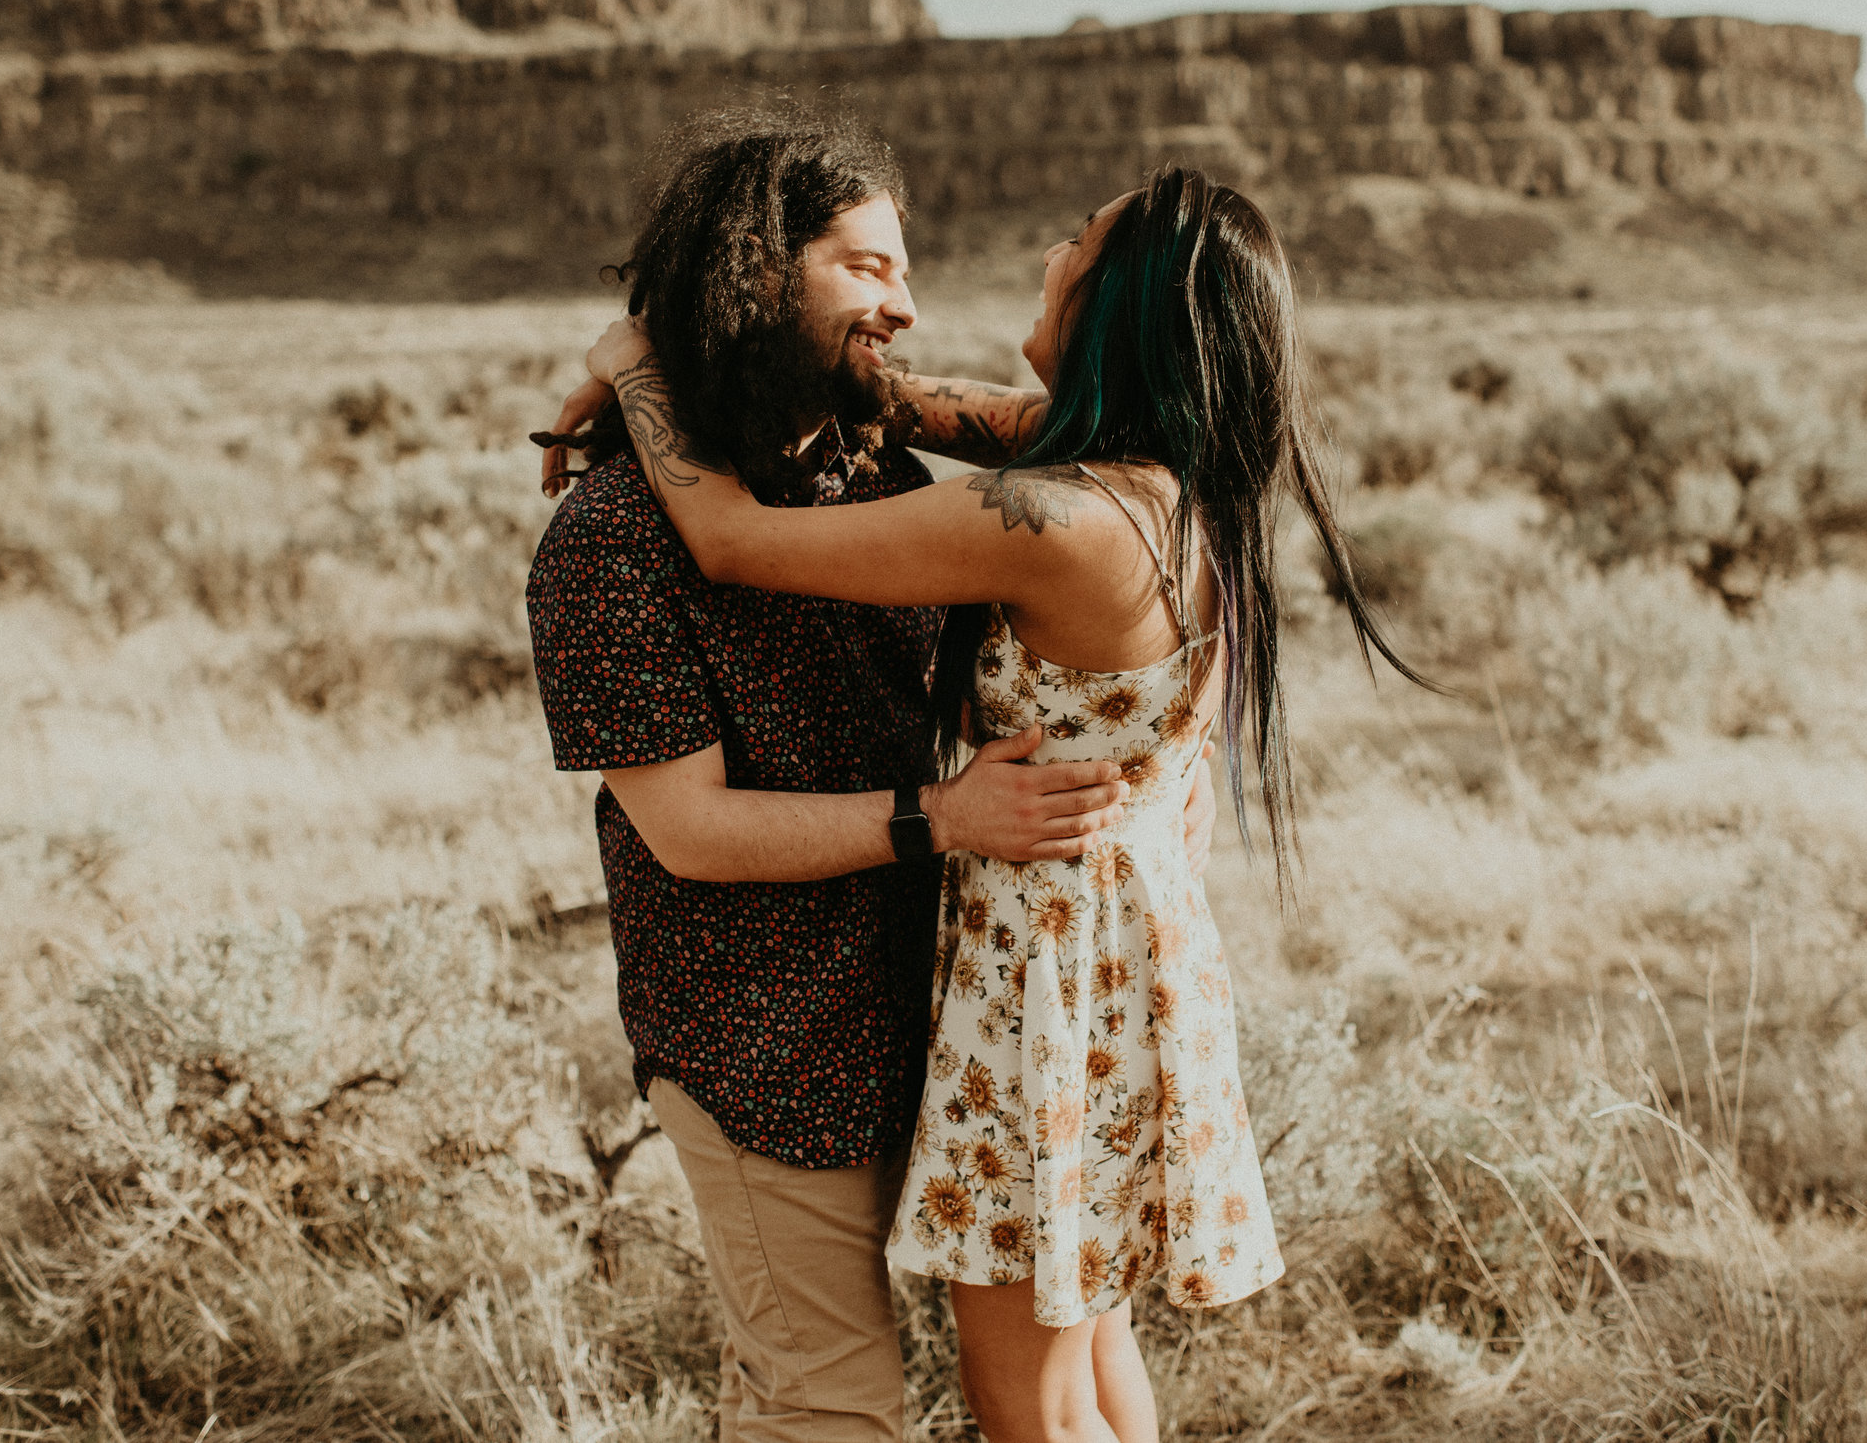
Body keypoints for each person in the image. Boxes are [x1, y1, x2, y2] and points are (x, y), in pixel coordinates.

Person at [577, 163, 1427, 1443]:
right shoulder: (1152, 476)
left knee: (1025, 1405)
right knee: (1087, 1364)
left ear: (1115, 305)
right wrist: (733, 346)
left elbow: (734, 542)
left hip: (1040, 979)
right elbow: (923, 406)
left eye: (1073, 245)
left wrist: (635, 364)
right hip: (1118, 954)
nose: (1047, 252)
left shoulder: (1056, 522)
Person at [525, 108, 1218, 1443]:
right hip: (765, 1037)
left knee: (1063, 1372)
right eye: (870, 268)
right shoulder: (611, 539)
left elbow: (1056, 447)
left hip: (963, 1003)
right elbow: (687, 833)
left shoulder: (890, 473)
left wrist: (640, 363)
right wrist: (945, 817)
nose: (908, 307)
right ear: (754, 270)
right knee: (827, 1408)